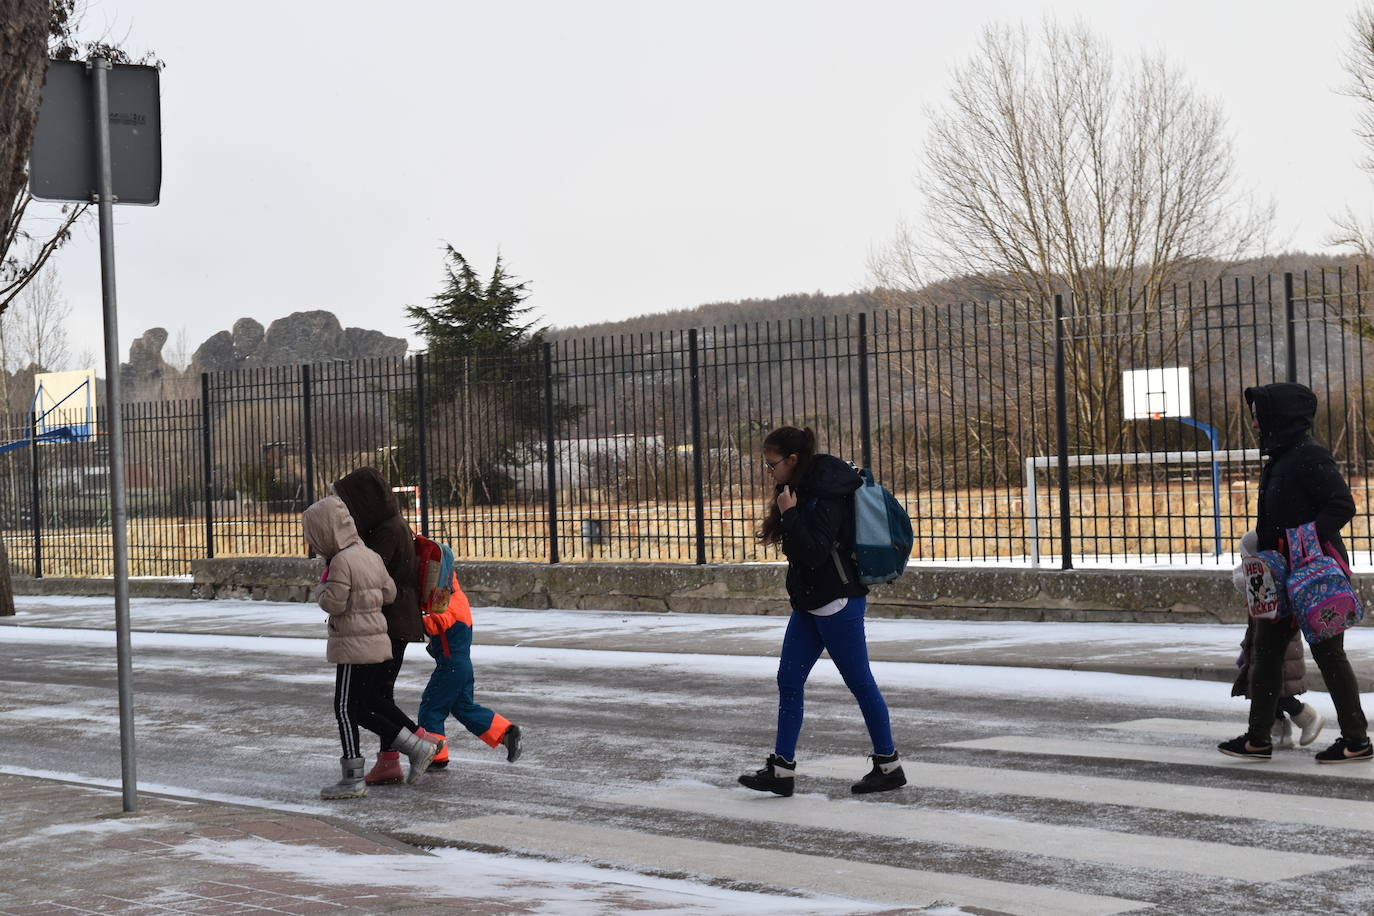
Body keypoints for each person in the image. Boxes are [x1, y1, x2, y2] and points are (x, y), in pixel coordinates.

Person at [738, 426, 905, 796]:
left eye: (772, 464)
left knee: (860, 682)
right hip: (811, 601)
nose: (769, 471)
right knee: (789, 680)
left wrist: (790, 515)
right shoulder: (797, 489)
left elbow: (813, 550)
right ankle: (781, 771)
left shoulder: (827, 491)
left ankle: (888, 765)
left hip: (837, 600)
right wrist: (788, 512)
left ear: (793, 459)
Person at [1218, 383, 1369, 763]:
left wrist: (1301, 542)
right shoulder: (1280, 457)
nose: (1254, 419)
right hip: (1277, 574)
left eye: (1259, 412)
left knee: (1329, 654)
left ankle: (1356, 740)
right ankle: (1258, 739)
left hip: (1314, 575)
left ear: (1279, 413)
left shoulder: (1309, 456)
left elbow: (1341, 505)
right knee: (1266, 652)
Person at [302, 495, 443, 799]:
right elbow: (389, 592)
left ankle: (353, 777)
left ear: (325, 531)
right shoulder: (368, 554)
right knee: (363, 705)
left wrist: (322, 587)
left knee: (344, 707)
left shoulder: (340, 561)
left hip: (354, 641)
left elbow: (335, 603)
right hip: (377, 638)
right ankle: (415, 746)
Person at [331, 468, 433, 787]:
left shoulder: (386, 533)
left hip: (389, 625)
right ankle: (390, 761)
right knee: (379, 696)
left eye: (348, 503)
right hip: (396, 624)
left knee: (366, 701)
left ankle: (420, 741)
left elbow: (367, 575)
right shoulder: (389, 527)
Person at [416, 569, 523, 767]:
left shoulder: (447, 598)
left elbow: (438, 622)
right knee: (463, 707)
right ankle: (506, 733)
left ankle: (435, 756)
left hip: (450, 667)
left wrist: (414, 620)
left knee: (431, 707)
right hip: (462, 666)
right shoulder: (457, 596)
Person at [1231, 529, 1325, 750]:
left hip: (1282, 655)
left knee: (1272, 691)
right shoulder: (1261, 585)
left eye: (1245, 557)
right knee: (1265, 691)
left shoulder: (1268, 583)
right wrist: (1247, 650)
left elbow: (1267, 624)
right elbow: (1255, 625)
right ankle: (1281, 732)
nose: (1243, 561)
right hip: (1266, 649)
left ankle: (1306, 716)